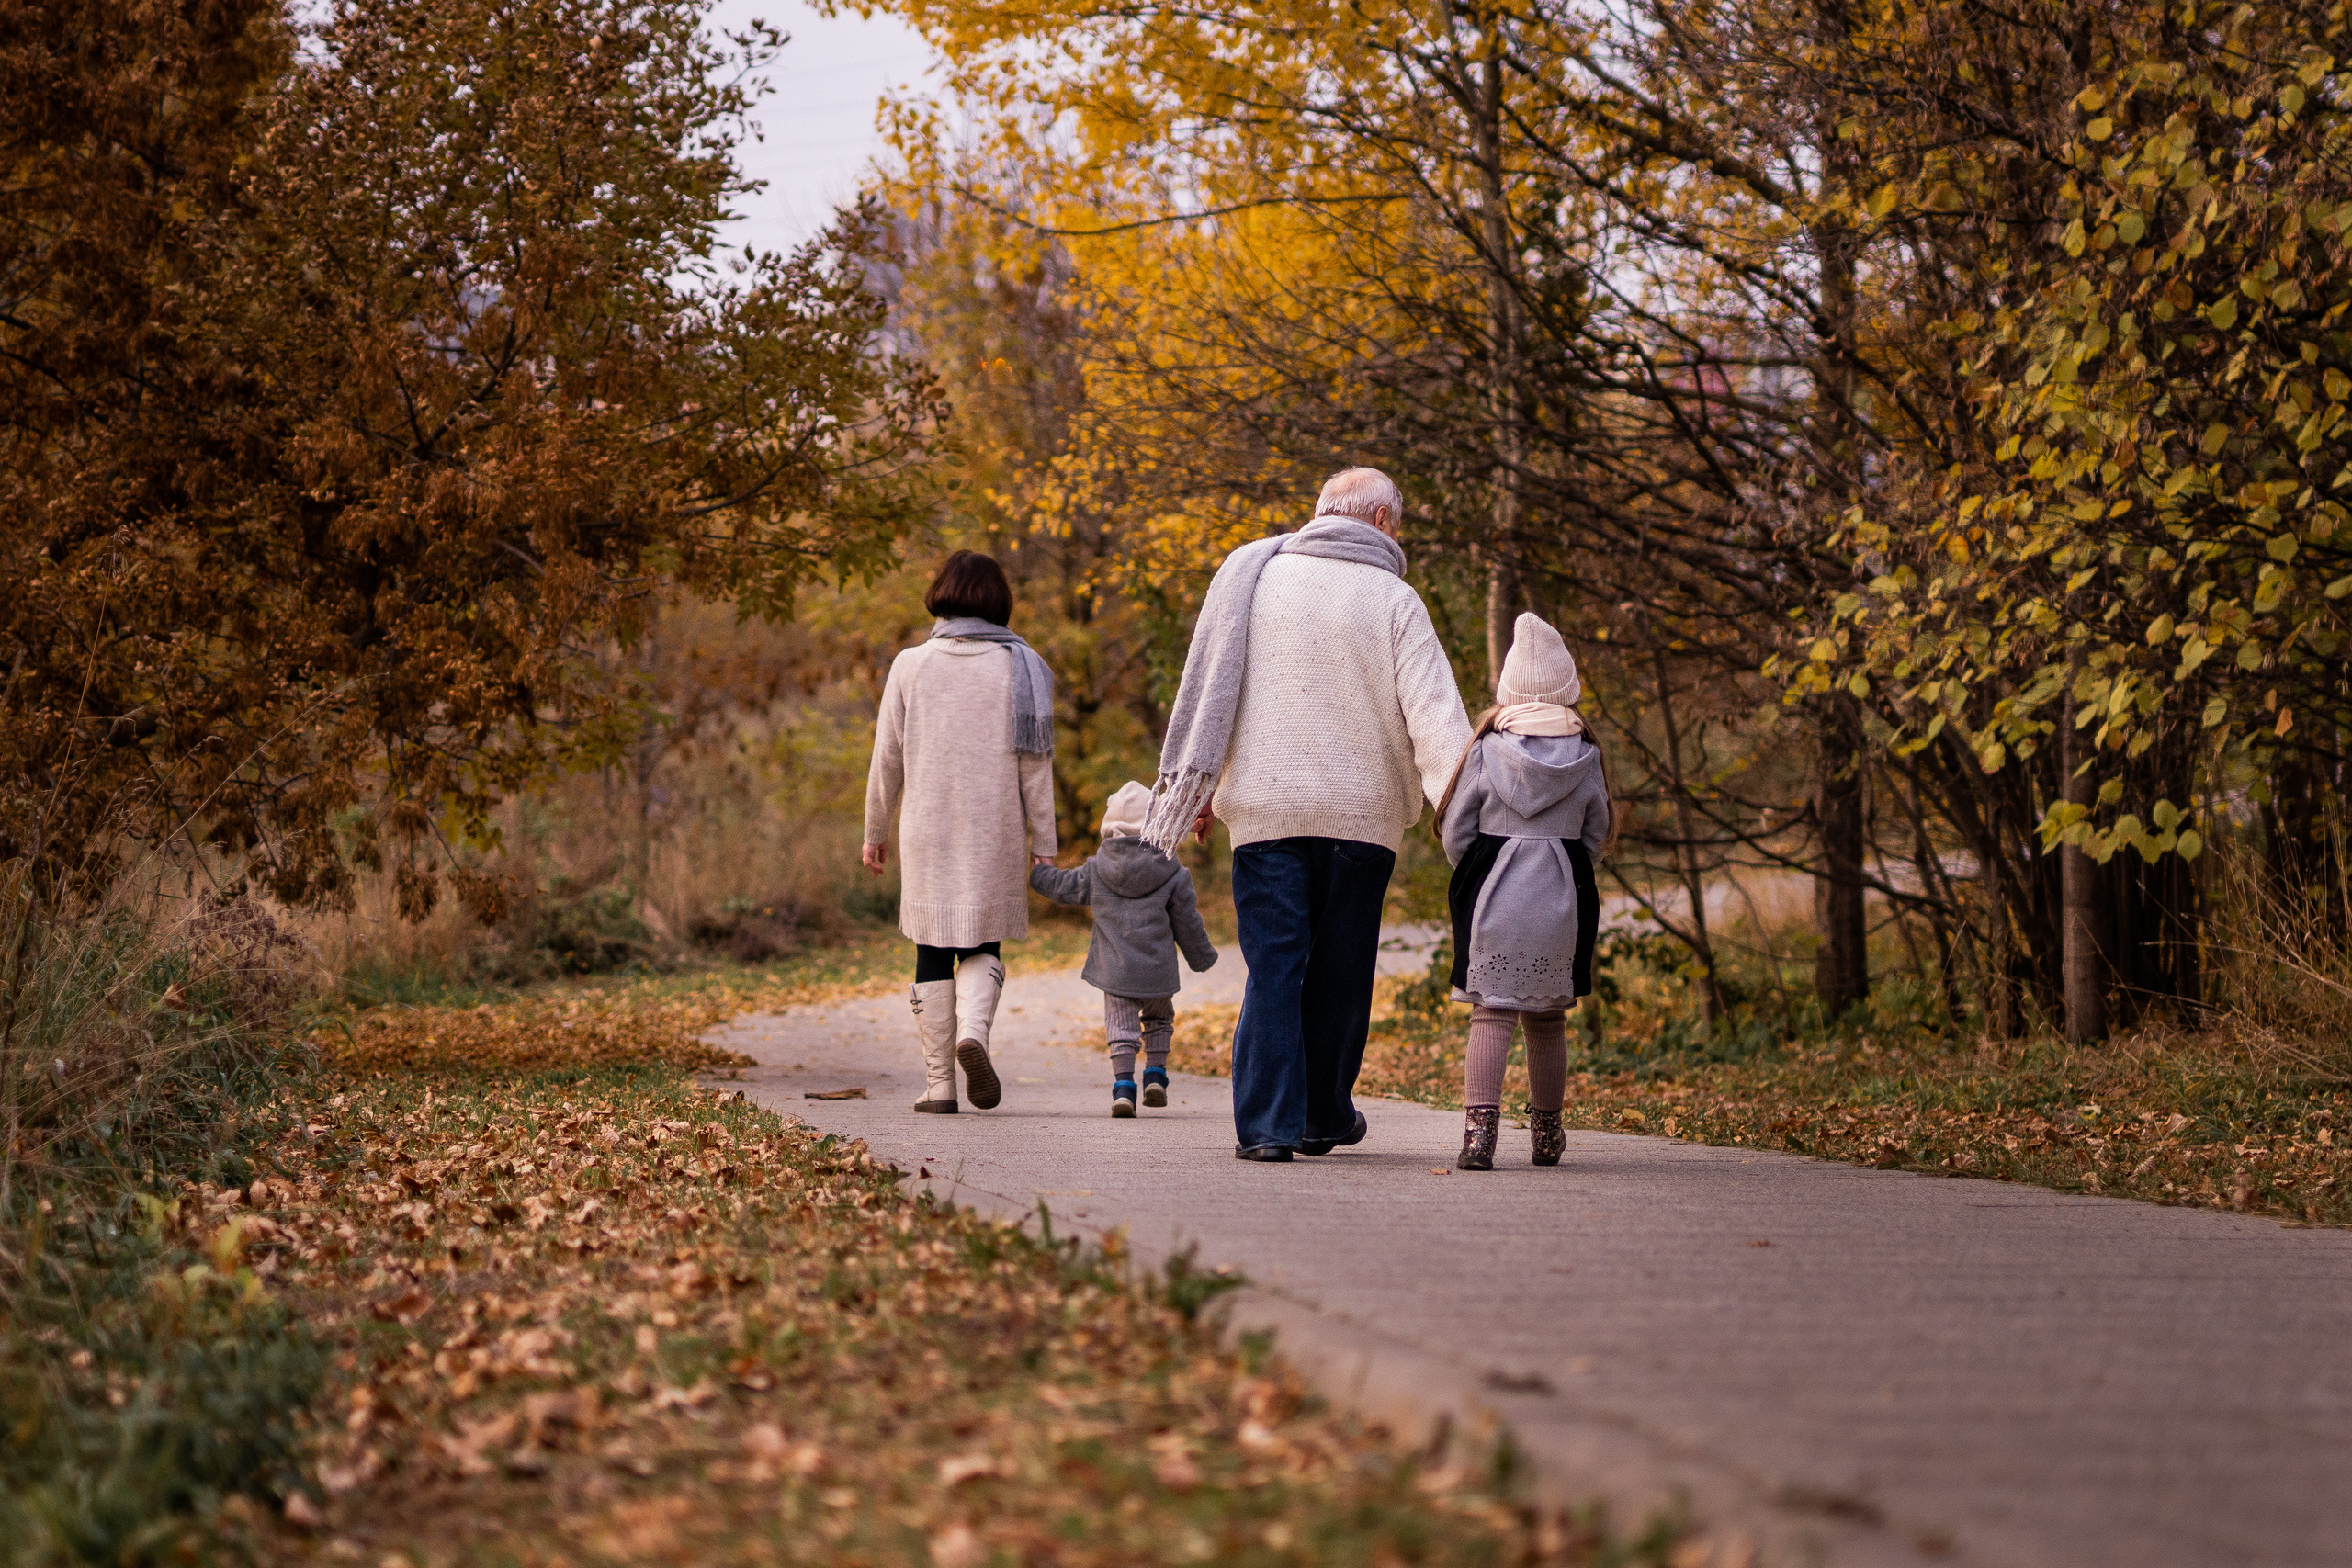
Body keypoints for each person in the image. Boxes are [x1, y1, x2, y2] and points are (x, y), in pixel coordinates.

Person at [1140, 468, 1471, 1161]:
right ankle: (1323, 1114)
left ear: (1322, 514)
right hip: (1362, 816)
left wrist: (1198, 789)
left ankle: (1266, 1128)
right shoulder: (1394, 599)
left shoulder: (1252, 583)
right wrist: (1468, 814)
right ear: (1382, 522)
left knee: (1276, 967)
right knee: (1341, 968)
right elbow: (1436, 719)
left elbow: (1215, 695)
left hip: (1265, 810)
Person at [863, 550, 1057, 1113]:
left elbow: (887, 757)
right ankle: (975, 1034)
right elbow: (1035, 763)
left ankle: (940, 1086)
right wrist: (1043, 843)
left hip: (928, 827)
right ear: (999, 603)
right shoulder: (1024, 666)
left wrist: (875, 827)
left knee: (931, 945)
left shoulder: (910, 664)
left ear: (941, 595)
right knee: (981, 938)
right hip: (993, 827)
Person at [1436, 613, 1612, 1170]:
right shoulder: (1587, 752)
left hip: (1495, 895)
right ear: (1569, 686)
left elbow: (1457, 830)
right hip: (1561, 898)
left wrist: (1482, 868)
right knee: (1546, 1020)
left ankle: (1479, 1137)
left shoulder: (1487, 749)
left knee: (1491, 1015)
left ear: (1508, 686)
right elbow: (1597, 832)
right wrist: (1565, 861)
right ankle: (1546, 1134)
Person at [1029, 781, 1220, 1117]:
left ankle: (1123, 1088)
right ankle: (1156, 1076)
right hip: (1158, 970)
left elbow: (1064, 887)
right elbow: (1187, 921)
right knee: (1159, 1020)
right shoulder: (1173, 870)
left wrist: (1038, 873)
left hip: (1115, 970)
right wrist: (1202, 957)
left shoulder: (1096, 869)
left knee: (1121, 1030)